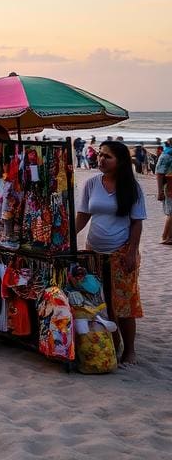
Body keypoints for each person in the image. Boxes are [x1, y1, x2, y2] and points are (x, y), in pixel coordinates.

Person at [76, 141, 146, 367]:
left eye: (107, 157)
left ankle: (130, 350)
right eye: (100, 155)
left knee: (124, 304)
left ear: (121, 162)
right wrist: (66, 237)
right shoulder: (91, 184)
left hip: (121, 252)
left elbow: (137, 223)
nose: (101, 159)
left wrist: (132, 252)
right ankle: (111, 345)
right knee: (100, 300)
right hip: (93, 251)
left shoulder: (132, 188)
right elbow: (83, 216)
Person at [157, 139, 172, 245]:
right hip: (170, 187)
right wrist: (160, 191)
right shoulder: (166, 156)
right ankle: (166, 236)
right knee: (171, 212)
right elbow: (159, 174)